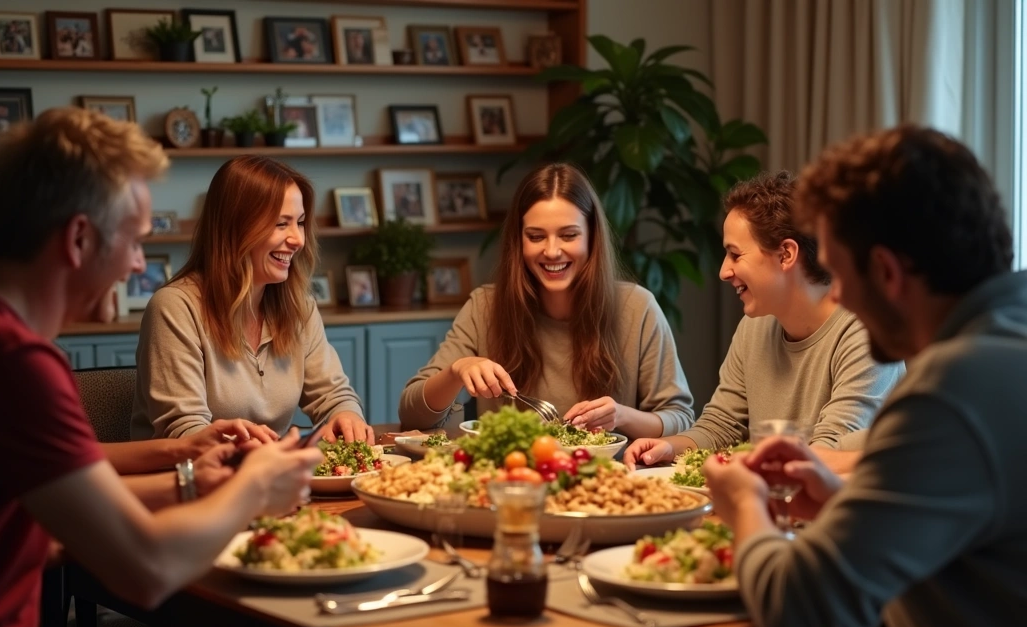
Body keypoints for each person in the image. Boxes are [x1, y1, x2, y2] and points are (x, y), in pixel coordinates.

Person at [704, 125, 1027, 627]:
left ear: (887, 272)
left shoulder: (955, 389)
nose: (838, 299)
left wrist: (743, 502)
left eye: (837, 272)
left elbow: (802, 613)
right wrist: (843, 499)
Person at [0, 106, 322, 627]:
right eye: (134, 239)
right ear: (78, 239)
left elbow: (56, 484)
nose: (139, 264)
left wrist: (187, 472)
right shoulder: (10, 361)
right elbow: (146, 570)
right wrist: (254, 489)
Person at [623, 172, 903, 469]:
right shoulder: (756, 326)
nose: (723, 271)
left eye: (734, 254)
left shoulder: (867, 331)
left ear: (786, 254)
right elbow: (721, 426)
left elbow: (828, 450)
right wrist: (668, 447)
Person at [399, 163, 694, 438]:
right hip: (508, 484)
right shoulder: (484, 307)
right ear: (519, 241)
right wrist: (456, 371)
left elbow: (680, 418)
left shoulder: (637, 308)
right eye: (536, 236)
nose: (552, 252)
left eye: (568, 235)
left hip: (608, 482)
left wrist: (621, 416)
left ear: (592, 237)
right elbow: (412, 416)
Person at [131, 155, 373, 444]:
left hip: (269, 477)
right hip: (190, 482)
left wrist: (346, 414)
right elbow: (184, 431)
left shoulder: (300, 307)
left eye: (300, 222)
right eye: (281, 224)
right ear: (236, 228)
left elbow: (334, 395)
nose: (298, 240)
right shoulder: (175, 307)